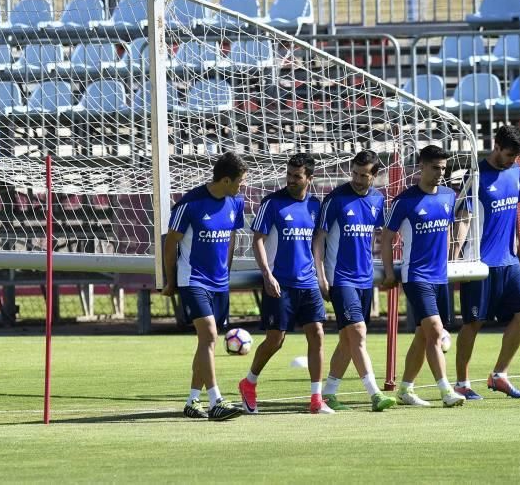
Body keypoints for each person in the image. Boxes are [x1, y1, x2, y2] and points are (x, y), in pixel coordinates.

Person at [238, 154, 334, 415]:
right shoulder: (272, 203)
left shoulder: (316, 205)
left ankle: (316, 398)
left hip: (308, 283)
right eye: (289, 174)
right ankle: (249, 383)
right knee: (275, 340)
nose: (291, 180)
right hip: (280, 283)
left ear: (309, 179)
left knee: (317, 334)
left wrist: (320, 275)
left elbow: (316, 243)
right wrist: (267, 275)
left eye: (297, 176)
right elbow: (258, 239)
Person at [453, 125, 520, 400]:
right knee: (473, 322)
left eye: (516, 155)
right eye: (510, 154)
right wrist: (455, 257)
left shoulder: (516, 171)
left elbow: (512, 213)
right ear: (497, 146)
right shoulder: (475, 175)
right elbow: (464, 216)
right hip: (479, 263)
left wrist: (514, 245)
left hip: (508, 261)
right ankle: (462, 383)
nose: (513, 159)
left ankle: (499, 374)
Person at [162, 152, 248, 421]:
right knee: (209, 336)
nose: (242, 186)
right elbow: (170, 243)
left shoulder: (236, 202)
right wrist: (171, 279)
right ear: (225, 180)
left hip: (220, 282)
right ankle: (216, 401)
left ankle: (192, 400)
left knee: (205, 342)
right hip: (193, 279)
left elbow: (231, 238)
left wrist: (227, 272)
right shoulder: (190, 204)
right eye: (239, 181)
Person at [381, 145, 466, 408]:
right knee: (435, 333)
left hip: (441, 277)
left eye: (443, 168)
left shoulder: (448, 196)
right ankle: (446, 391)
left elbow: (450, 231)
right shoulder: (404, 201)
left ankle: (406, 389)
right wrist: (387, 272)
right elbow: (386, 238)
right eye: (435, 167)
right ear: (421, 166)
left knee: (422, 335)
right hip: (416, 277)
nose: (440, 173)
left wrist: (453, 256)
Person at [313, 150, 396, 412]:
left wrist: (388, 269)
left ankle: (329, 393)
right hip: (341, 279)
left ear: (375, 176)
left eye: (365, 175)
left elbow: (383, 237)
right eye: (356, 174)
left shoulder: (377, 200)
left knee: (349, 341)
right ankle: (375, 394)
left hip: (365, 278)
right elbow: (319, 240)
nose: (359, 179)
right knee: (358, 333)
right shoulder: (335, 199)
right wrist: (321, 277)